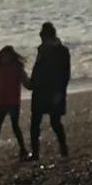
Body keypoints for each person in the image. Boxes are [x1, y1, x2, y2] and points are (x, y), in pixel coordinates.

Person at [27, 21, 71, 161]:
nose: (42, 39)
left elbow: (65, 74)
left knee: (55, 122)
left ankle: (64, 150)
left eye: (43, 36)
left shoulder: (62, 51)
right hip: (40, 90)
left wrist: (60, 92)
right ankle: (35, 153)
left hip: (53, 90)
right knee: (35, 123)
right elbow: (37, 69)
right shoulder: (42, 50)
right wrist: (32, 82)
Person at [0, 45, 30, 166]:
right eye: (2, 56)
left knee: (15, 126)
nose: (3, 58)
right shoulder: (0, 67)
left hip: (13, 101)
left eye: (5, 56)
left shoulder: (17, 67)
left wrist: (34, 84)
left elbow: (25, 82)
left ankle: (23, 150)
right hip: (3, 102)